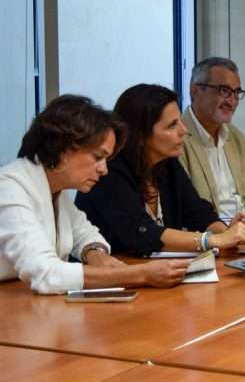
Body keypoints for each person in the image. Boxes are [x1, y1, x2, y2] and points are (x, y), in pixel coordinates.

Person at [0, 95, 191, 294]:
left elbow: (85, 233)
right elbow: (47, 274)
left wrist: (94, 252)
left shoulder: (55, 190)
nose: (104, 170)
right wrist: (141, 274)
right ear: (63, 149)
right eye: (98, 157)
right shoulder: (9, 188)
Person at [76, 84, 245, 257]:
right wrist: (212, 240)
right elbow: (141, 232)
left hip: (157, 275)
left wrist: (226, 232)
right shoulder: (108, 172)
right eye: (172, 125)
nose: (183, 130)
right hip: (114, 280)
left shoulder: (166, 163)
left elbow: (197, 212)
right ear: (140, 135)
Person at [179, 57, 245, 218]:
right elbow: (185, 211)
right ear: (195, 90)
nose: (232, 101)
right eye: (224, 91)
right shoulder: (177, 139)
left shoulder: (236, 137)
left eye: (237, 92)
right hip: (210, 236)